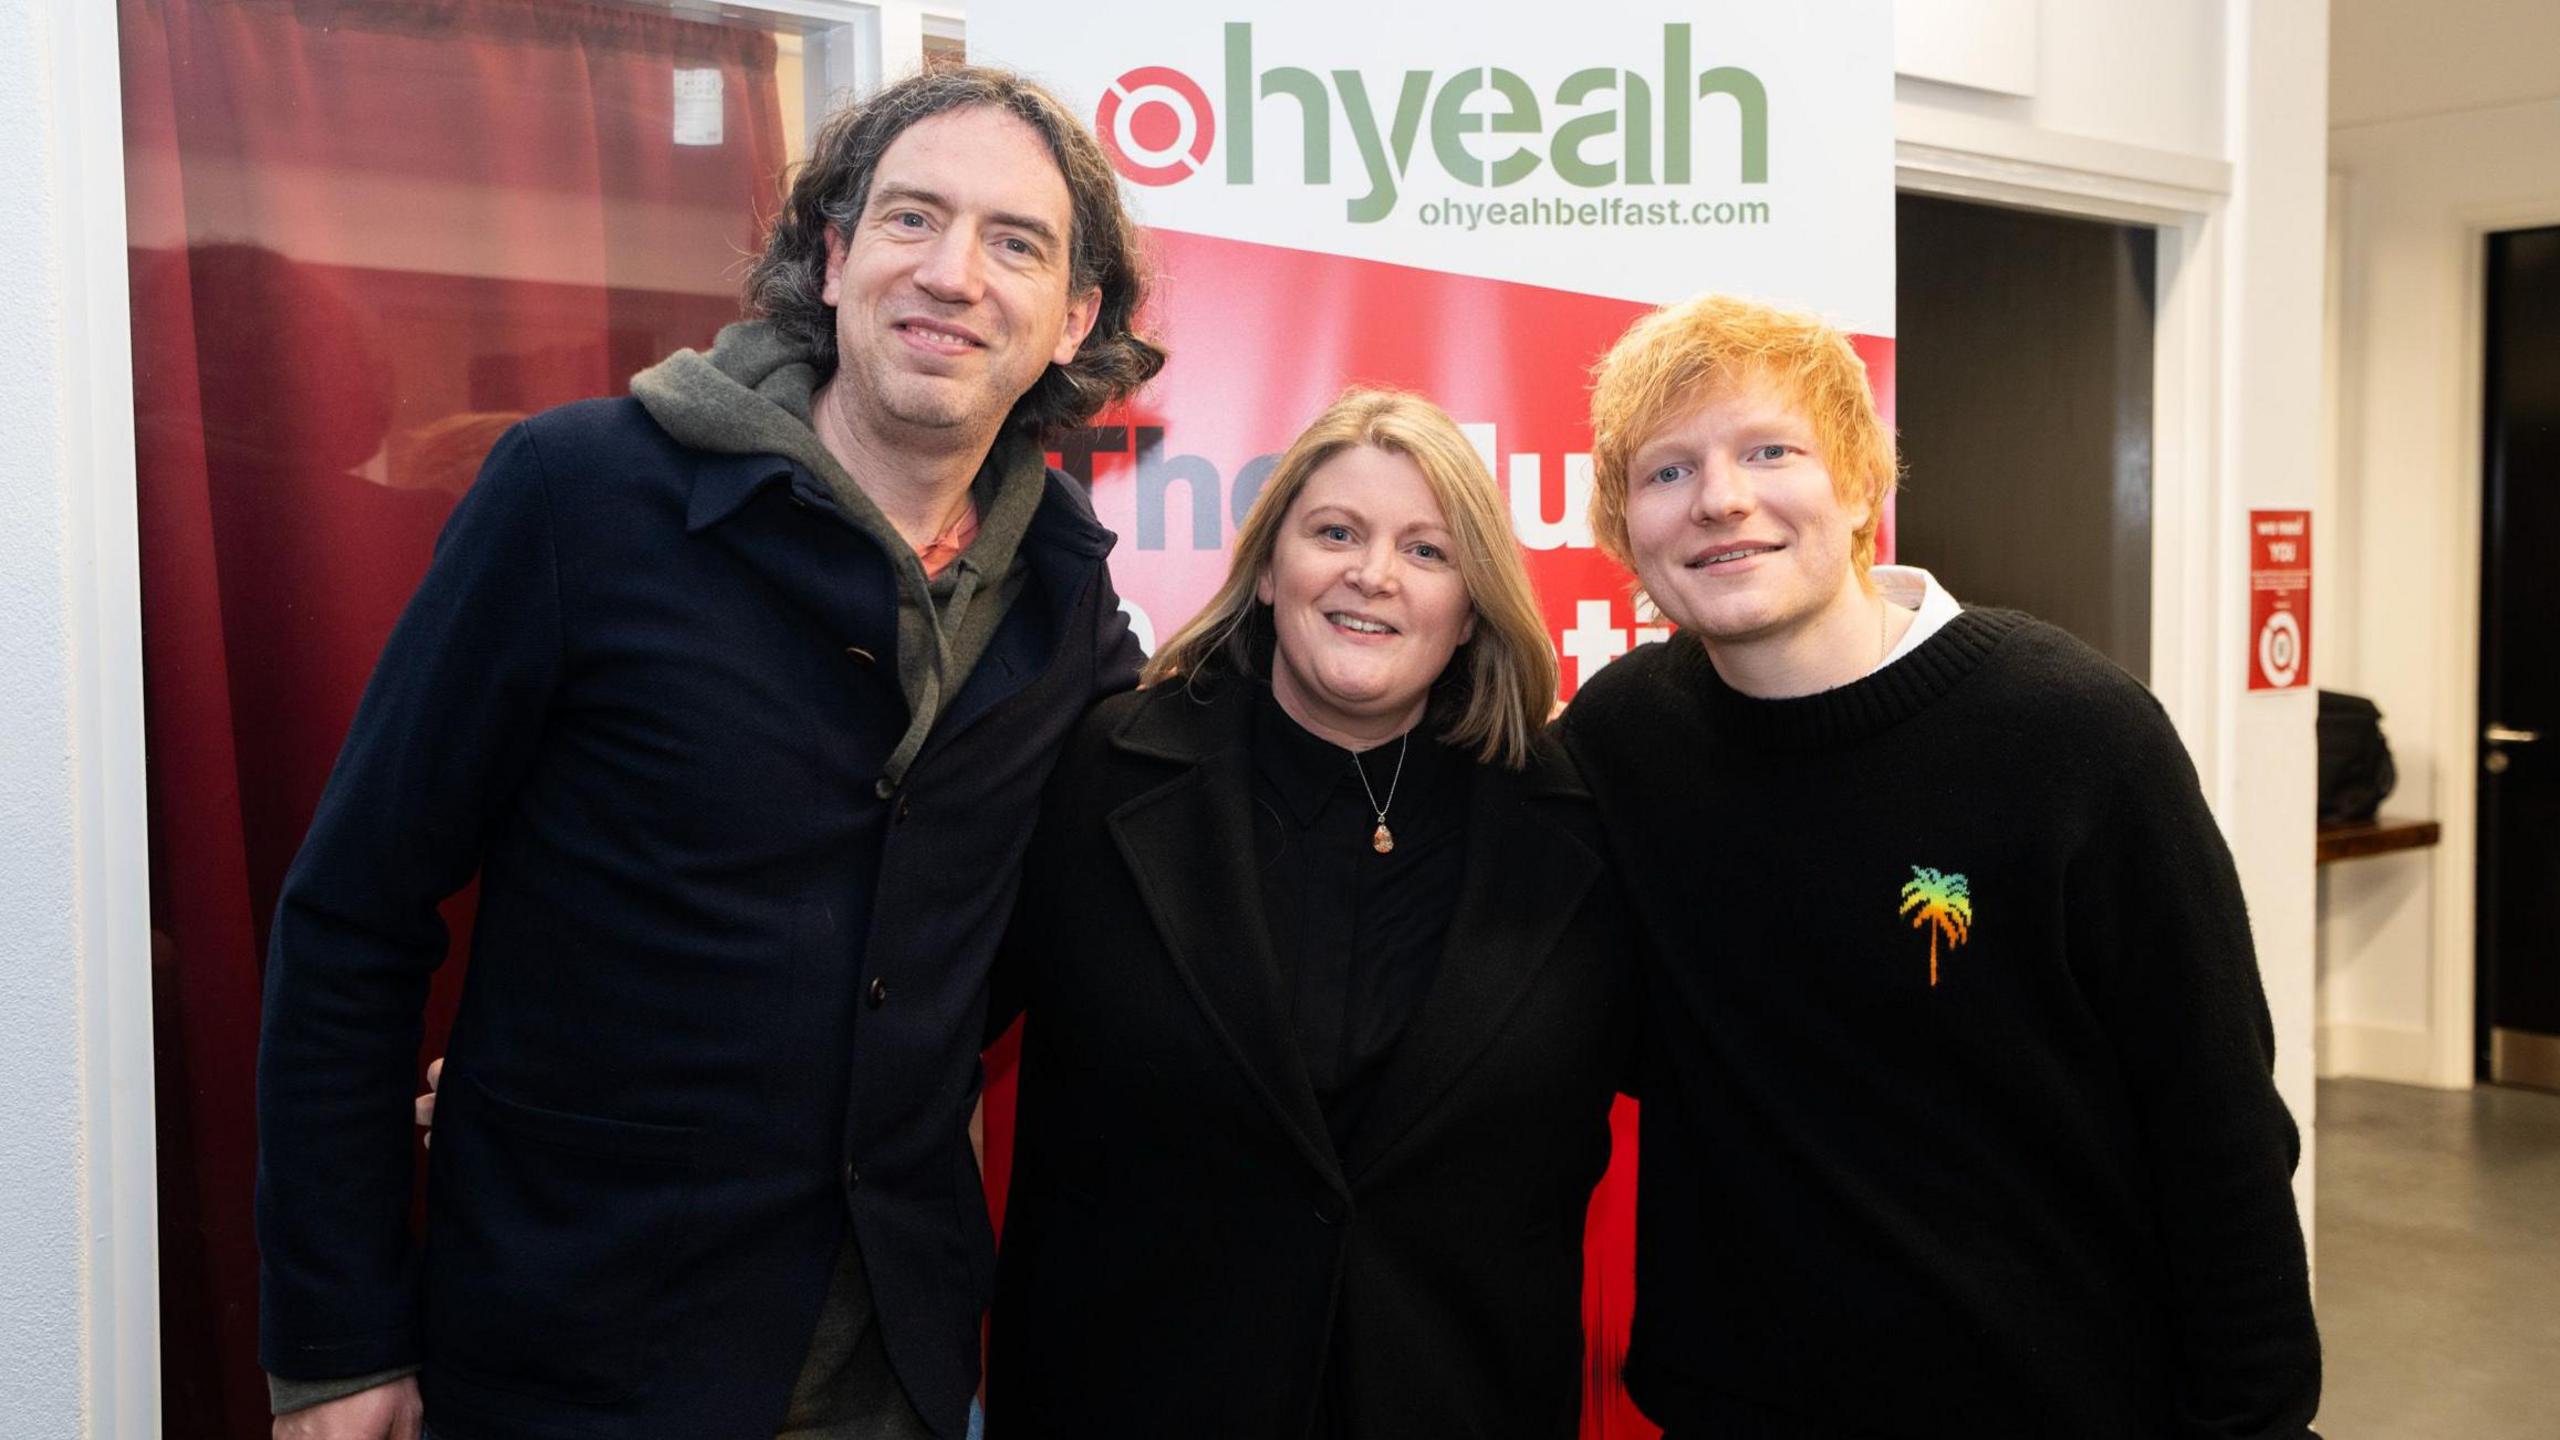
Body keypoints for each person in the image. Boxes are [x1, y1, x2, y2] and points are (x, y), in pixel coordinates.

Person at [257, 67, 1161, 1440]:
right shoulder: (579, 497)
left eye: (1016, 243)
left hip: (891, 1376)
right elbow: (352, 919)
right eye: (912, 218)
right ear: (835, 252)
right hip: (574, 1361)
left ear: (1074, 318)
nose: (956, 273)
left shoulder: (1062, 597)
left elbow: (1071, 915)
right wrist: (336, 1340)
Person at [1561, 294, 2323, 1438]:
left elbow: (2218, 1130)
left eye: (1770, 451)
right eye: (1668, 472)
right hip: (1733, 1406)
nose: (1720, 497)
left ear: (1862, 485)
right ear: (1627, 529)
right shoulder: (1622, 737)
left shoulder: (2073, 734)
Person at [984, 389, 1633, 1437]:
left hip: (1459, 1403)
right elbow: (929, 1026)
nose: (1371, 574)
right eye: (1335, 532)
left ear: (1471, 605)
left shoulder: (1570, 822)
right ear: (1270, 566)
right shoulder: (1101, 776)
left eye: (1427, 551)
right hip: (1133, 1399)